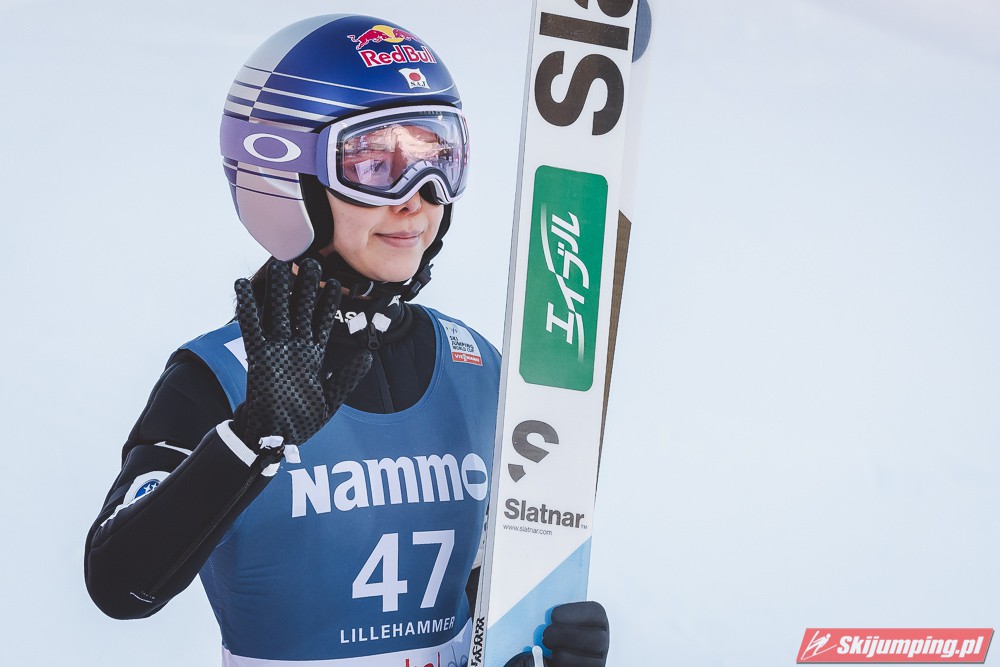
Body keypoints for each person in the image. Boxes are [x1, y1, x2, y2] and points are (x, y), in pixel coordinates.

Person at [84, 13, 611, 667]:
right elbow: (119, 584)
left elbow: (483, 599)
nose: (417, 198)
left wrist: (535, 648)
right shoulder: (217, 376)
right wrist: (249, 439)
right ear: (284, 176)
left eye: (437, 158)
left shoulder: (476, 366)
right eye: (374, 163)